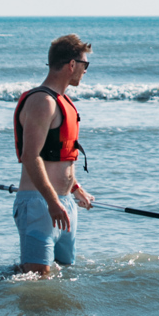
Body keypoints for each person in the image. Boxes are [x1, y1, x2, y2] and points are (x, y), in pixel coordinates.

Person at [12, 34, 97, 277]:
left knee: (61, 276)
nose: (85, 71)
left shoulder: (63, 101)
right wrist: (52, 202)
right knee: (36, 280)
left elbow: (57, 157)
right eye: (85, 65)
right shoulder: (43, 102)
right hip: (42, 204)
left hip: (63, 204)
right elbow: (31, 157)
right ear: (72, 64)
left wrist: (74, 188)